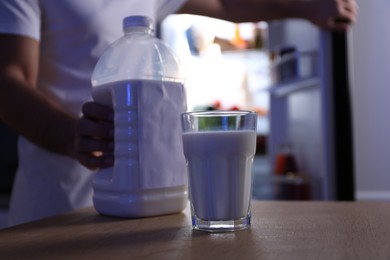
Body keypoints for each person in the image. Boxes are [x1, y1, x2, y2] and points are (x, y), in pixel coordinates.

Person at [0, 0, 358, 227]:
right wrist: (72, 135)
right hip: (57, 200)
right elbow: (8, 80)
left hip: (151, 204)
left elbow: (227, 6)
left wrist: (306, 7)